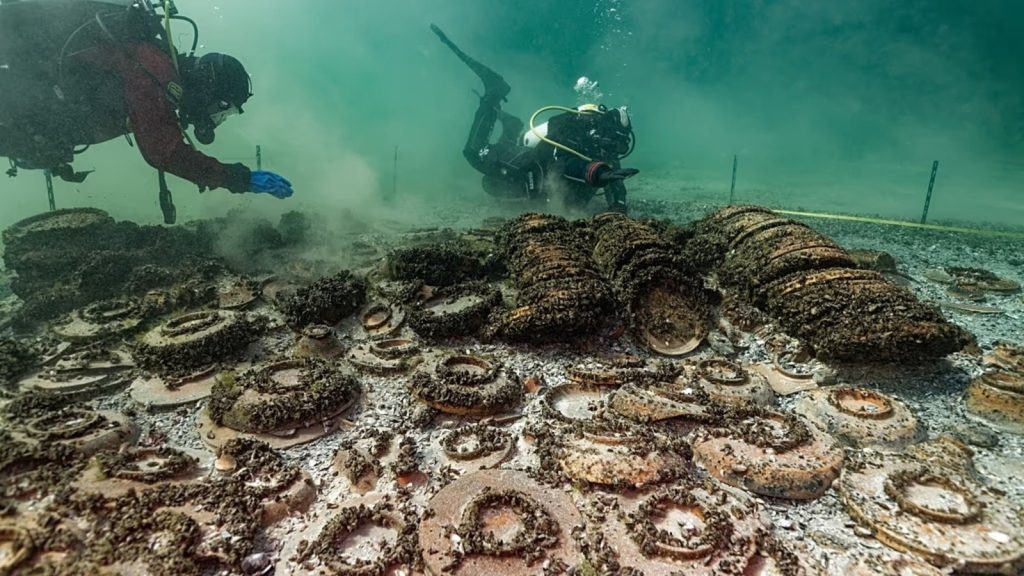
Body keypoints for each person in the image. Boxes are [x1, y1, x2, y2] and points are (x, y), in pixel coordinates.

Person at [0, 0, 292, 223]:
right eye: (221, 109)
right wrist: (239, 179)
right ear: (208, 87)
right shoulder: (156, 68)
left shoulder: (159, 69)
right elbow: (164, 152)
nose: (214, 119)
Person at [432, 24, 638, 213]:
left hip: (536, 174)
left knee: (492, 184)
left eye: (619, 144)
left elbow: (614, 178)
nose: (614, 149)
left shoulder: (604, 146)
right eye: (613, 141)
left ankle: (511, 128)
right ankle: (494, 93)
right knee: (474, 153)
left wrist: (618, 205)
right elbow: (560, 163)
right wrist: (596, 173)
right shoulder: (574, 128)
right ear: (603, 129)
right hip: (529, 160)